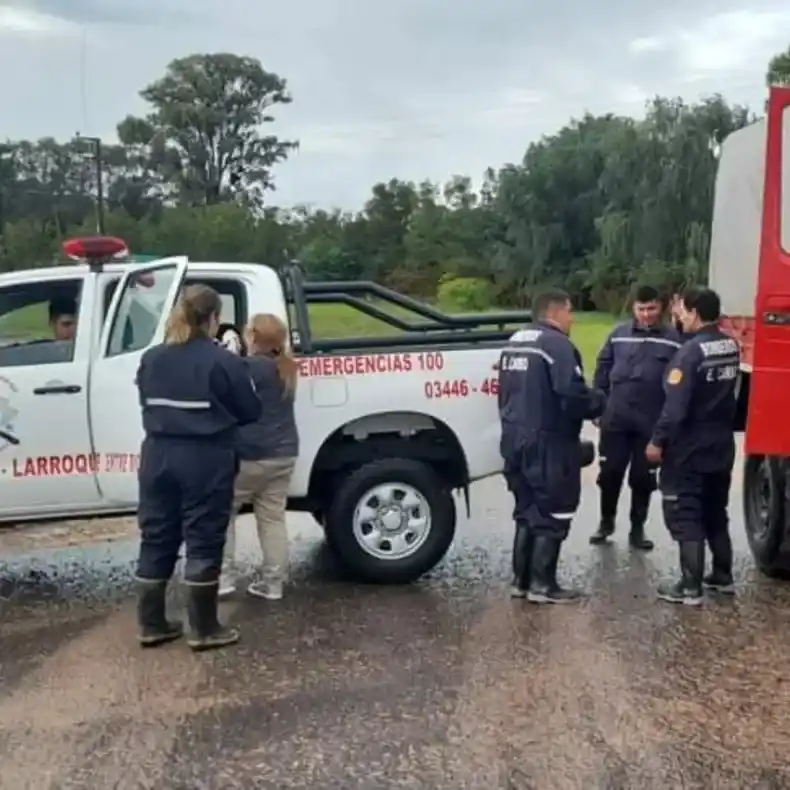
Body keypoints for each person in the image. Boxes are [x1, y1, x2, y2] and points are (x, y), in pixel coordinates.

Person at [134, 284, 262, 651]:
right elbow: (251, 411)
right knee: (204, 538)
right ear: (213, 318)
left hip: (157, 455)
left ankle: (152, 623)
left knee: (157, 534)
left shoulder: (152, 358)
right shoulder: (223, 361)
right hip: (205, 458)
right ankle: (204, 629)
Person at [499, 288, 606, 603]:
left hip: (514, 436)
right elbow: (571, 394)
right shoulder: (557, 345)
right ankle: (544, 585)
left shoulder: (515, 341)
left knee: (527, 510)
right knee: (554, 511)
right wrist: (599, 403)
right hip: (548, 440)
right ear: (555, 311)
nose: (572, 318)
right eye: (570, 311)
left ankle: (521, 581)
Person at [646, 286, 739, 605]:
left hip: (689, 446)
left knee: (686, 513)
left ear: (695, 313)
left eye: (682, 311)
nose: (678, 316)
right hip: (720, 443)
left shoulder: (688, 355)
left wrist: (657, 441)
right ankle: (722, 575)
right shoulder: (730, 344)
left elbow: (674, 408)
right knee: (715, 510)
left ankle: (689, 586)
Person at [589, 285, 682, 550]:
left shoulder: (674, 340)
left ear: (660, 307)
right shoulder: (618, 335)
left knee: (642, 479)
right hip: (616, 419)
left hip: (650, 423)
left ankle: (637, 529)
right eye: (641, 309)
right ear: (634, 308)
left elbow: (679, 382)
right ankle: (606, 522)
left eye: (651, 308)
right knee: (610, 474)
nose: (646, 314)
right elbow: (602, 369)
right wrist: (598, 405)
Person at [220, 313, 300, 599]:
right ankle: (273, 584)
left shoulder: (250, 366)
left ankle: (222, 578)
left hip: (249, 455)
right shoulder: (286, 367)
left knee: (223, 514)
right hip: (284, 454)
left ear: (252, 336)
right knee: (272, 519)